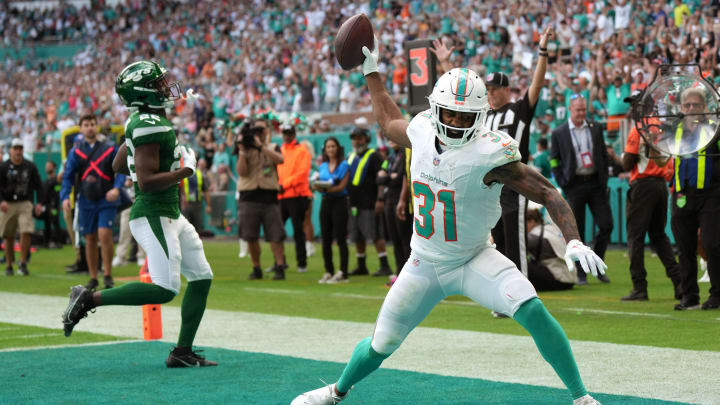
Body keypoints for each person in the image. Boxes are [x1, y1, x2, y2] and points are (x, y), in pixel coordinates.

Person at [291, 42, 605, 405]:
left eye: (465, 116)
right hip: (423, 262)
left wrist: (574, 241)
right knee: (382, 343)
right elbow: (388, 120)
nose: (455, 122)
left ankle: (581, 397)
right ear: (435, 109)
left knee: (531, 307)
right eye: (450, 114)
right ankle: (336, 391)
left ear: (481, 117)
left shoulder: (492, 154)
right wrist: (371, 72)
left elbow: (547, 192)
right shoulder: (422, 129)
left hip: (474, 257)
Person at [62, 60, 217, 368]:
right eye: (159, 84)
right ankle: (87, 299)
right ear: (143, 92)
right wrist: (184, 170)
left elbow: (117, 165)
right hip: (153, 213)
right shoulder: (148, 123)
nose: (167, 88)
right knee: (164, 289)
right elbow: (144, 180)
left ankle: (182, 352)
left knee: (201, 277)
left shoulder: (143, 119)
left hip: (169, 212)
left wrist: (141, 152)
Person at [481, 27, 553, 279]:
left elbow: (536, 84)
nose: (489, 93)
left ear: (506, 90)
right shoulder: (485, 116)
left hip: (514, 183)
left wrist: (542, 52)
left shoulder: (518, 110)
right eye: (487, 90)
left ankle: (523, 295)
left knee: (515, 244)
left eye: (493, 89)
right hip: (491, 187)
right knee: (496, 243)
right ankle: (503, 295)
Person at [550, 95, 613, 285]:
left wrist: (604, 178)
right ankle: (581, 273)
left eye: (583, 110)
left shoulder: (595, 128)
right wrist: (562, 181)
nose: (581, 114)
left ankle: (597, 265)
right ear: (570, 109)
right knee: (577, 231)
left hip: (595, 183)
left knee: (606, 225)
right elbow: (554, 160)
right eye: (578, 110)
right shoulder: (559, 132)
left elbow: (602, 153)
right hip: (574, 184)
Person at [667, 87, 720, 310]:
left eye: (696, 105)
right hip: (681, 194)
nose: (691, 109)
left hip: (710, 194)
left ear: (704, 107)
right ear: (680, 108)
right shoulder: (674, 128)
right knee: (684, 247)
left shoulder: (714, 128)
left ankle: (717, 294)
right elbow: (662, 159)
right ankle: (689, 295)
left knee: (712, 244)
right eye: (687, 105)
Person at [60, 114, 125, 290]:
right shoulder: (76, 151)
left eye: (92, 124)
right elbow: (68, 176)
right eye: (86, 124)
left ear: (97, 127)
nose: (90, 127)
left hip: (106, 198)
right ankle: (94, 277)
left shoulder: (110, 148)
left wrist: (117, 188)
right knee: (89, 239)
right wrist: (65, 196)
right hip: (86, 200)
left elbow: (120, 171)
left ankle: (108, 274)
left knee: (105, 234)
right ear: (81, 128)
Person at [620, 122, 681, 301]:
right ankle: (679, 283)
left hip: (642, 186)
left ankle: (639, 287)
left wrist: (618, 158)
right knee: (659, 236)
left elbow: (627, 163)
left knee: (635, 237)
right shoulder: (663, 127)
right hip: (660, 186)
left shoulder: (638, 128)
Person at [235, 118, 287, 280]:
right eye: (255, 130)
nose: (258, 133)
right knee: (250, 236)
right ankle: (256, 267)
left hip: (269, 196)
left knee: (275, 235)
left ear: (267, 132)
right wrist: (243, 150)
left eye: (261, 130)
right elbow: (241, 172)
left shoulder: (272, 147)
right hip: (248, 196)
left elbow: (280, 159)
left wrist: (261, 147)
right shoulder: (245, 148)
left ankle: (279, 266)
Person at [346, 127, 392, 277]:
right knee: (357, 235)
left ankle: (384, 265)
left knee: (375, 234)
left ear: (366, 138)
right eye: (354, 138)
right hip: (354, 202)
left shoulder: (374, 156)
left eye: (359, 138)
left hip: (370, 201)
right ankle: (361, 266)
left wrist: (380, 199)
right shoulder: (351, 156)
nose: (356, 141)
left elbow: (381, 179)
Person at [0, 138, 43, 276]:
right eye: (15, 148)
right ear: (10, 150)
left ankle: (23, 262)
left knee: (26, 231)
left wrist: (40, 203)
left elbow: (39, 185)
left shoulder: (30, 166)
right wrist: (1, 201)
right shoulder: (3, 167)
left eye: (20, 148)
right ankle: (8, 264)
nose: (18, 151)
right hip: (8, 204)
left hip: (25, 203)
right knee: (8, 235)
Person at [313, 137, 350, 284]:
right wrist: (317, 186)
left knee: (340, 238)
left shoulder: (344, 165)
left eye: (333, 146)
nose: (331, 149)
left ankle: (343, 272)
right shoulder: (322, 166)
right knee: (326, 238)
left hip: (339, 202)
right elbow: (317, 184)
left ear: (338, 148)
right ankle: (328, 270)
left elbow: (341, 186)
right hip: (326, 202)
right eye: (328, 147)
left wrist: (324, 189)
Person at [277, 122, 312, 273]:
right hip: (281, 195)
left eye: (289, 133)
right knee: (277, 232)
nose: (287, 136)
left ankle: (302, 262)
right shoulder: (280, 150)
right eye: (285, 133)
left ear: (294, 134)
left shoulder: (302, 150)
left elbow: (302, 173)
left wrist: (284, 183)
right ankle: (280, 262)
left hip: (296, 195)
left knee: (298, 230)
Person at [376, 140, 412, 282]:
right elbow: (379, 178)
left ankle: (407, 275)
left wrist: (388, 178)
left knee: (405, 239)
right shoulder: (391, 157)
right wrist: (389, 177)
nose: (391, 140)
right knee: (395, 239)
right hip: (389, 200)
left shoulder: (405, 155)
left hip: (401, 200)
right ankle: (399, 273)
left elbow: (401, 179)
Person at [526, 203, 577, 291]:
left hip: (558, 279)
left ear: (532, 221)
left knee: (518, 265)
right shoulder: (551, 229)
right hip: (570, 279)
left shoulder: (534, 235)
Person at [180, 156, 211, 233]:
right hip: (186, 204)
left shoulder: (200, 174)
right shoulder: (182, 173)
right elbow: (179, 188)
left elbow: (206, 191)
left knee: (197, 228)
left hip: (197, 204)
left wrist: (208, 205)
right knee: (186, 228)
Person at [39, 160, 62, 248]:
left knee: (55, 222)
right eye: (46, 166)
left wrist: (54, 206)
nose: (47, 168)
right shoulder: (46, 181)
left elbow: (57, 192)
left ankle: (57, 242)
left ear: (54, 168)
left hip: (54, 207)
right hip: (46, 207)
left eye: (49, 166)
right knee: (47, 223)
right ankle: (46, 242)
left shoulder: (57, 181)